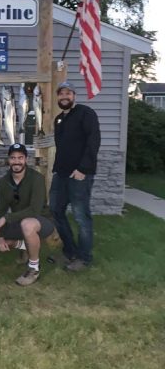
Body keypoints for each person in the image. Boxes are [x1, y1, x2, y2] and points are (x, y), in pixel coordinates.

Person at [0, 143, 54, 286]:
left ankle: (34, 268)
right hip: (19, 221)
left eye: (20, 158)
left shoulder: (37, 178)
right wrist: (1, 236)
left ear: (26, 159)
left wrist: (6, 218)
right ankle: (24, 246)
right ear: (8, 160)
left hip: (42, 221)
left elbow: (34, 210)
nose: (17, 161)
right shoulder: (4, 182)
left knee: (27, 224)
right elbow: (0, 211)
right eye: (13, 158)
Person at [49, 81, 101, 271]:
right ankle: (70, 252)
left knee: (81, 216)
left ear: (74, 96)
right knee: (55, 210)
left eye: (68, 93)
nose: (64, 97)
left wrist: (83, 169)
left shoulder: (86, 113)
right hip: (61, 174)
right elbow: (63, 147)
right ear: (58, 97)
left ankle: (84, 258)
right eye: (61, 94)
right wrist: (57, 169)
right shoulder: (58, 119)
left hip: (80, 174)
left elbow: (94, 140)